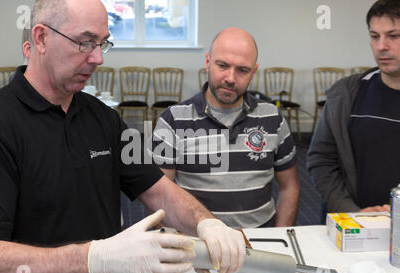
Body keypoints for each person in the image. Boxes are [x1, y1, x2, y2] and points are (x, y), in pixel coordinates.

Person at [0, 0, 246, 273]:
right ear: (41, 38)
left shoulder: (103, 118)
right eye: (85, 43)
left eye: (102, 44)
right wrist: (95, 258)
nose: (98, 58)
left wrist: (206, 222)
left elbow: (158, 190)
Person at [150, 28, 300, 228]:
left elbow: (289, 187)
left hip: (261, 240)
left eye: (242, 70)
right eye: (222, 65)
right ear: (207, 62)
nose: (230, 78)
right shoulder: (173, 120)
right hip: (197, 243)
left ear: (253, 72)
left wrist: (281, 238)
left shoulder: (272, 117)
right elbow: (158, 197)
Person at [307, 0, 400, 219]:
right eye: (375, 36)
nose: (381, 46)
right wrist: (352, 214)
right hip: (351, 226)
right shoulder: (345, 95)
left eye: (393, 36)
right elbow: (321, 160)